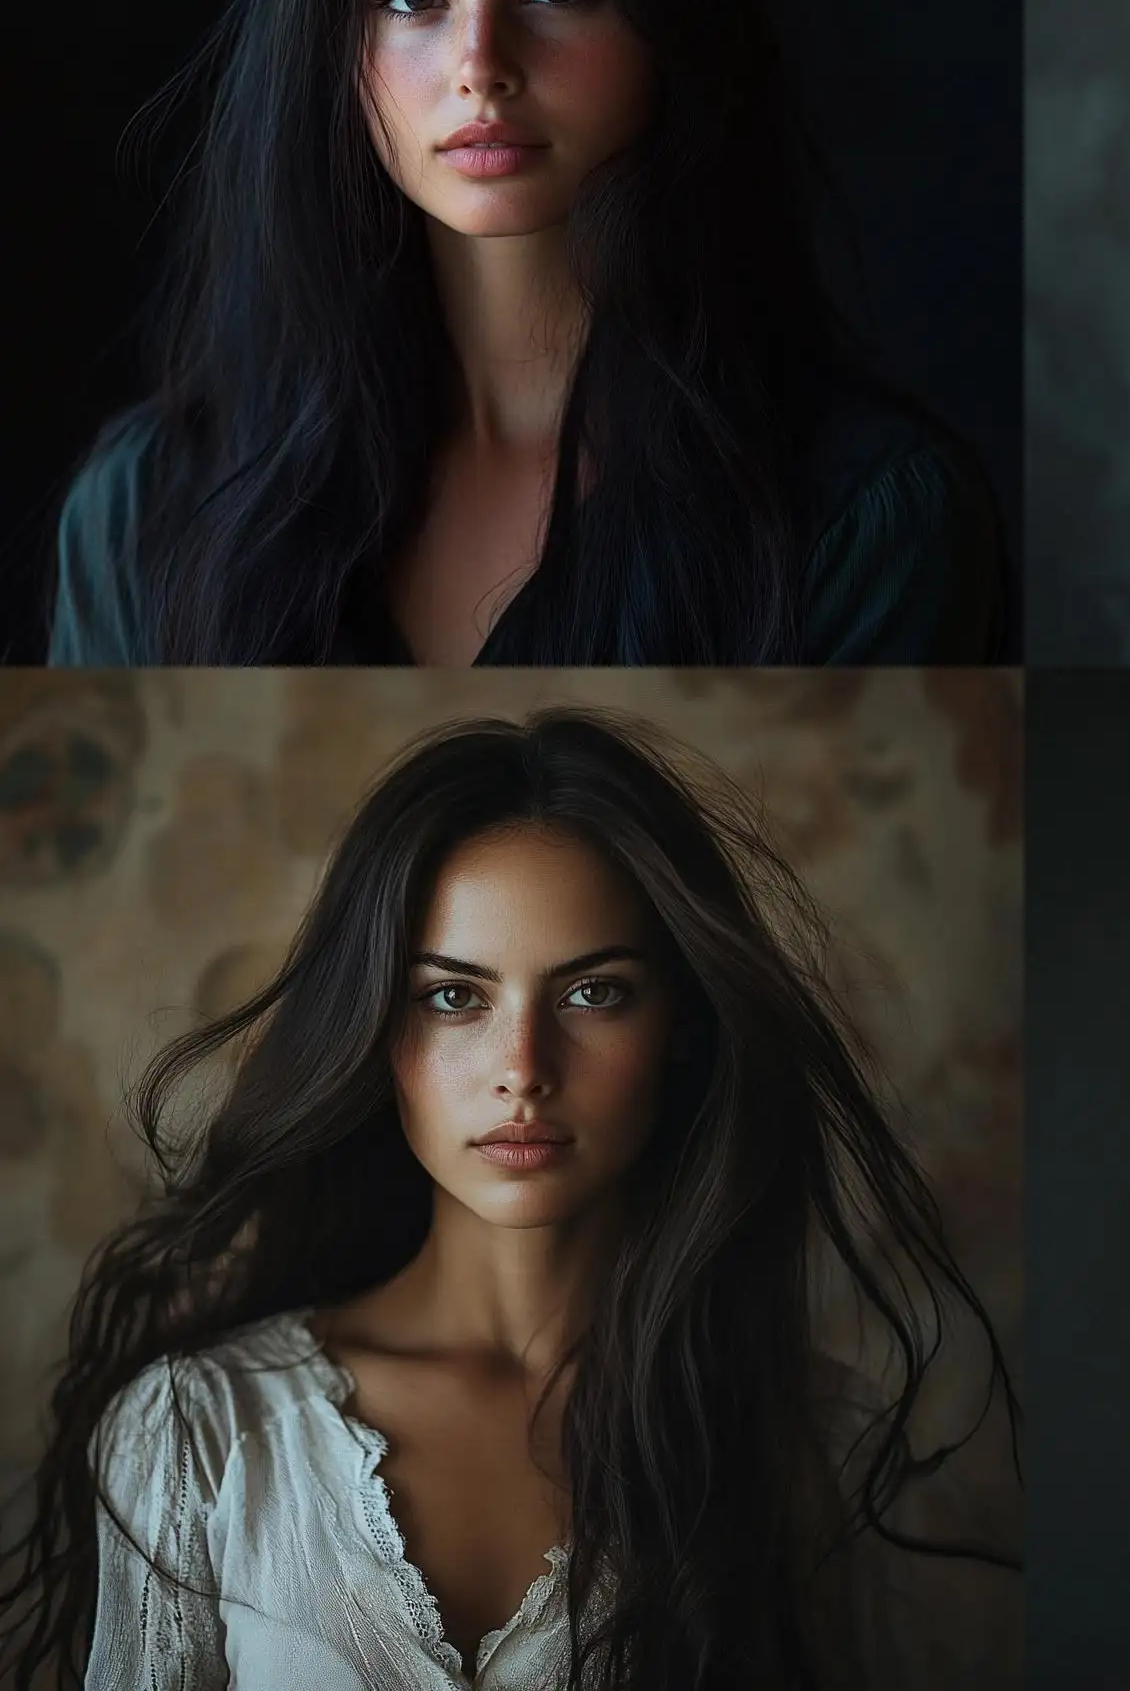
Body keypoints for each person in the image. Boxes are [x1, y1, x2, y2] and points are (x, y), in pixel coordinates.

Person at [0, 710, 1014, 1689]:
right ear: (373, 1030)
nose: (520, 1069)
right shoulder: (197, 1429)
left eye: (593, 990)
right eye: (453, 995)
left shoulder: (805, 1439)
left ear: (683, 1029)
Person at [47, 0, 1005, 667]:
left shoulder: (865, 520)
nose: (480, 64)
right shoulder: (146, 510)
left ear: (668, 21)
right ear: (329, 42)